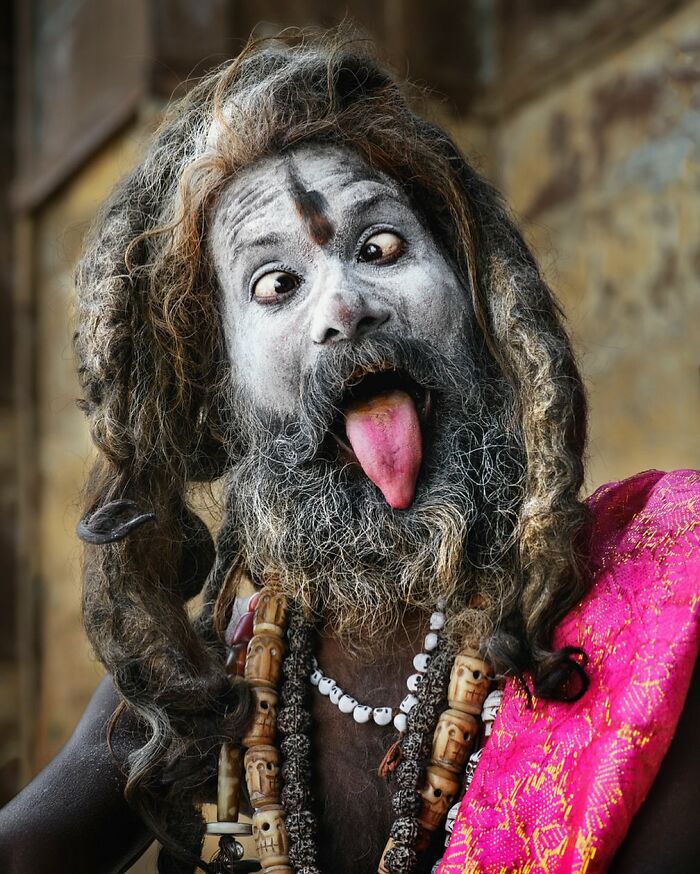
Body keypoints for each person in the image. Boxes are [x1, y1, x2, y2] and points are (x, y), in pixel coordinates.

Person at [1, 31, 698, 874]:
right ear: (224, 393)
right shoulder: (198, 687)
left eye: (382, 248)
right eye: (275, 285)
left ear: (480, 299)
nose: (345, 303)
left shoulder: (667, 591)